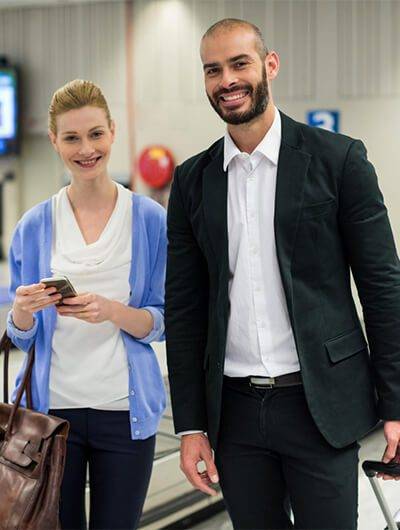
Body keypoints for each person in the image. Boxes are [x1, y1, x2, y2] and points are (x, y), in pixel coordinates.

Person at [165, 18, 400, 530]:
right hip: (234, 414)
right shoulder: (191, 181)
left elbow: (383, 288)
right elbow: (184, 310)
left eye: (239, 64)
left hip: (320, 405)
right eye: (212, 70)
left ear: (270, 65)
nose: (227, 80)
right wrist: (191, 426)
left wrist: (396, 403)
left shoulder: (339, 160)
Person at [7, 79, 167, 530]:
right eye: (72, 138)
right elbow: (22, 335)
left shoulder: (149, 219)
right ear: (54, 140)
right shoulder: (34, 225)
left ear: (113, 131)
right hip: (52, 417)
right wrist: (22, 312)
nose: (86, 149)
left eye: (96, 134)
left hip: (125, 413)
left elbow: (163, 320)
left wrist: (111, 311)